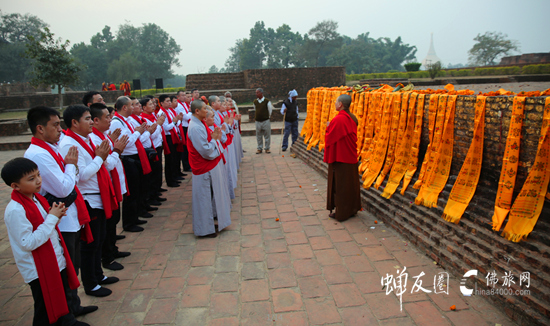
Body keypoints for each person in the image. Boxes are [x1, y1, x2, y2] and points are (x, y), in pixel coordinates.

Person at [24, 106, 98, 319]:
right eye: (55, 125)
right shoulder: (39, 154)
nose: (60, 129)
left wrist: (69, 169)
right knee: (66, 269)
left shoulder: (51, 147)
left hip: (70, 214)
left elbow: (67, 182)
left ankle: (73, 307)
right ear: (40, 128)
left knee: (72, 266)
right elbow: (63, 188)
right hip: (60, 218)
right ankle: (67, 315)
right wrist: (71, 166)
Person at [1, 157, 90, 326]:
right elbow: (28, 242)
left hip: (55, 259)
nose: (38, 181)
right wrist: (51, 218)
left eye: (38, 175)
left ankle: (67, 320)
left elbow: (44, 227)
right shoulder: (16, 210)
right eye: (31, 179)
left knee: (60, 297)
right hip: (38, 268)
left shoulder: (36, 199)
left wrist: (54, 217)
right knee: (44, 308)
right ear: (15, 186)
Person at [59, 105, 119, 297]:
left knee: (99, 239)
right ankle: (91, 283)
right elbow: (82, 175)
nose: (91, 122)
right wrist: (100, 158)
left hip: (96, 196)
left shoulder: (83, 139)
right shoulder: (70, 144)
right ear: (74, 123)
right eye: (87, 119)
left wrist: (101, 157)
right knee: (90, 244)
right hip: (87, 199)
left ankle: (98, 275)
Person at [89, 103, 131, 272]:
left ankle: (112, 249)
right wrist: (116, 150)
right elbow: (107, 165)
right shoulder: (95, 139)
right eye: (107, 117)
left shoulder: (103, 136)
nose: (110, 119)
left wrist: (112, 144)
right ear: (96, 120)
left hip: (112, 184)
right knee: (108, 223)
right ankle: (107, 257)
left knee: (113, 219)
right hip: (103, 187)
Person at [187, 100, 231, 238]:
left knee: (208, 195)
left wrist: (214, 139)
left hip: (207, 166)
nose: (207, 111)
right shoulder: (195, 127)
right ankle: (204, 229)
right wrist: (215, 140)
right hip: (202, 167)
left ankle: (209, 224)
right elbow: (205, 151)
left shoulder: (200, 124)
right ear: (197, 111)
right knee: (204, 197)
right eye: (204, 109)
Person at [109, 96, 150, 232]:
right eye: (131, 105)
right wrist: (138, 133)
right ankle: (128, 222)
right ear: (124, 107)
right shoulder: (116, 123)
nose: (133, 108)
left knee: (136, 189)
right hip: (128, 158)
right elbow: (127, 142)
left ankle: (135, 217)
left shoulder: (125, 121)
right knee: (131, 192)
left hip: (134, 156)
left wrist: (138, 132)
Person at [323, 94, 361, 222]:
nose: (334, 104)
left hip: (341, 158)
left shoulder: (339, 119)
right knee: (350, 184)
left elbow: (329, 138)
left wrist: (329, 127)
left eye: (336, 102)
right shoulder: (352, 117)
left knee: (341, 186)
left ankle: (342, 213)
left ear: (340, 104)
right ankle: (352, 209)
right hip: (350, 156)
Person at [140, 97, 168, 199]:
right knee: (153, 172)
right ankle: (153, 194)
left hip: (157, 145)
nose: (154, 106)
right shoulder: (145, 119)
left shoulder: (153, 116)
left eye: (153, 104)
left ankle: (157, 189)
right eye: (150, 104)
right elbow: (152, 135)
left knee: (158, 170)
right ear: (144, 107)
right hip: (152, 146)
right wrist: (159, 124)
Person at [157, 94, 184, 187]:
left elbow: (176, 122)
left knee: (175, 157)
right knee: (170, 159)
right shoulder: (162, 113)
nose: (169, 103)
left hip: (174, 135)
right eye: (167, 101)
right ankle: (170, 180)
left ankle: (175, 176)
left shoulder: (170, 111)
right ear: (161, 103)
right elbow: (166, 128)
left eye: (169, 101)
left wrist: (177, 120)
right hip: (168, 137)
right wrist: (174, 122)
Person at [175, 90, 192, 173]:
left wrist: (189, 113)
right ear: (178, 97)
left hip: (187, 126)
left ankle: (188, 164)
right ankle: (186, 165)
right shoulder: (179, 105)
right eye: (182, 95)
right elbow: (185, 117)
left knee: (188, 146)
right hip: (183, 127)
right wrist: (190, 112)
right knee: (185, 147)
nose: (184, 97)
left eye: (185, 95)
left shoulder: (184, 104)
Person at [253, 88, 274, 154]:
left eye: (257, 92)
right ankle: (259, 148)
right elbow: (255, 109)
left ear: (261, 93)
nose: (256, 94)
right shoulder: (255, 102)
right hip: (258, 121)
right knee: (258, 135)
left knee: (267, 135)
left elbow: (270, 110)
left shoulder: (267, 101)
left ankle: (267, 148)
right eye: (256, 93)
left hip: (265, 120)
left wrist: (267, 117)